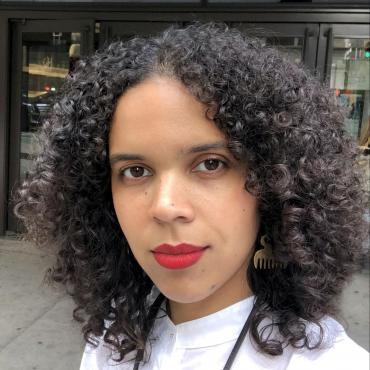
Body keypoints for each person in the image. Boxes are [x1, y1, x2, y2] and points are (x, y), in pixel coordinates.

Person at [13, 22, 369, 370]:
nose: (166, 207)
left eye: (210, 164)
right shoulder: (111, 340)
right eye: (135, 171)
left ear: (275, 180)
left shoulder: (329, 361)